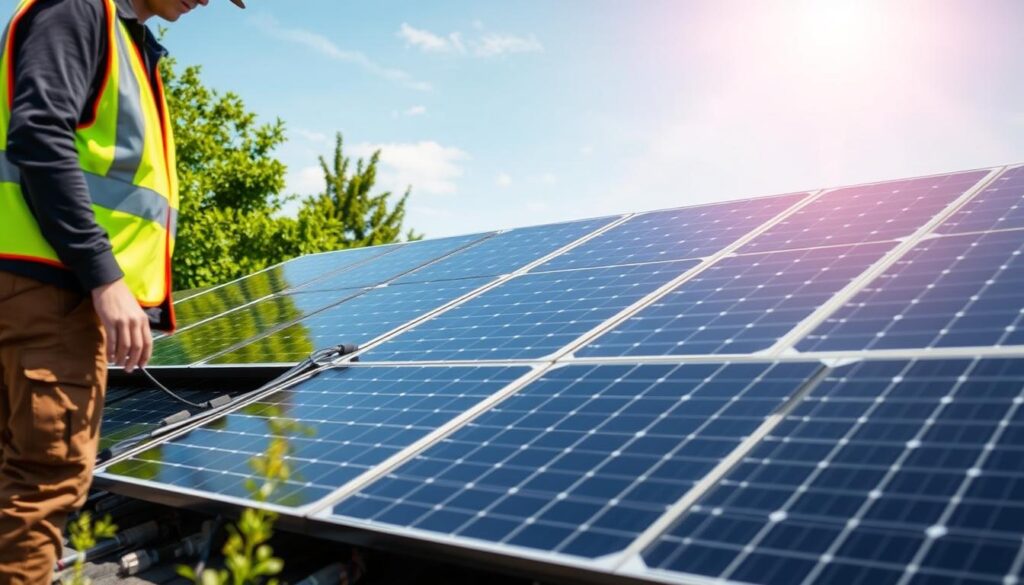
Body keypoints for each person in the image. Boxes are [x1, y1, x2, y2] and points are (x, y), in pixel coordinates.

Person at [0, 0, 243, 581]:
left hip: (46, 284)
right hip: (53, 290)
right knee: (45, 481)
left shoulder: (124, 36)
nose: (207, 0)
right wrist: (105, 278)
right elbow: (38, 136)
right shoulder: (79, 12)